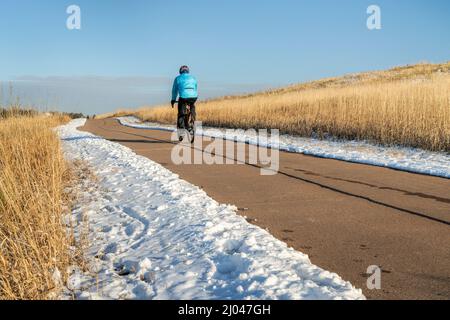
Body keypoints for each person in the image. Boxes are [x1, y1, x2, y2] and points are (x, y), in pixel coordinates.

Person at [171, 65, 198, 131]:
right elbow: (195, 87)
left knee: (181, 113)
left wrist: (173, 99)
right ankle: (193, 118)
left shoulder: (177, 78)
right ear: (188, 71)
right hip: (194, 96)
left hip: (183, 97)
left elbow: (174, 90)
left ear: (180, 71)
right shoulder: (193, 77)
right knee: (192, 106)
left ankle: (181, 130)